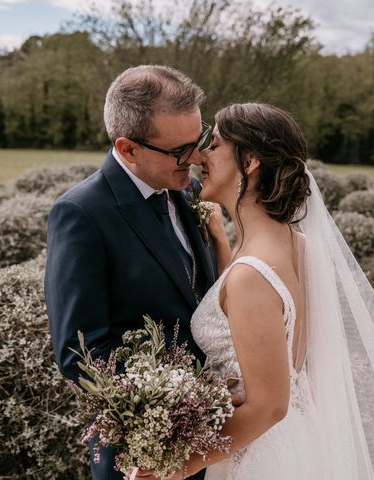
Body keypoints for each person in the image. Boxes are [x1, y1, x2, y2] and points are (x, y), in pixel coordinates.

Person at [132, 103, 374, 479]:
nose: (201, 155)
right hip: (298, 438)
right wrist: (220, 241)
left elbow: (268, 406)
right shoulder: (296, 247)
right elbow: (244, 314)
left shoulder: (251, 274)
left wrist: (176, 467)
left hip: (256, 456)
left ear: (249, 160)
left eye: (215, 144)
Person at [45, 65, 229, 480]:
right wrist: (181, 408)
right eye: (182, 150)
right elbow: (81, 354)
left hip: (214, 442)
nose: (197, 159)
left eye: (198, 141)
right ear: (128, 149)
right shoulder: (80, 214)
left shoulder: (190, 191)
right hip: (142, 454)